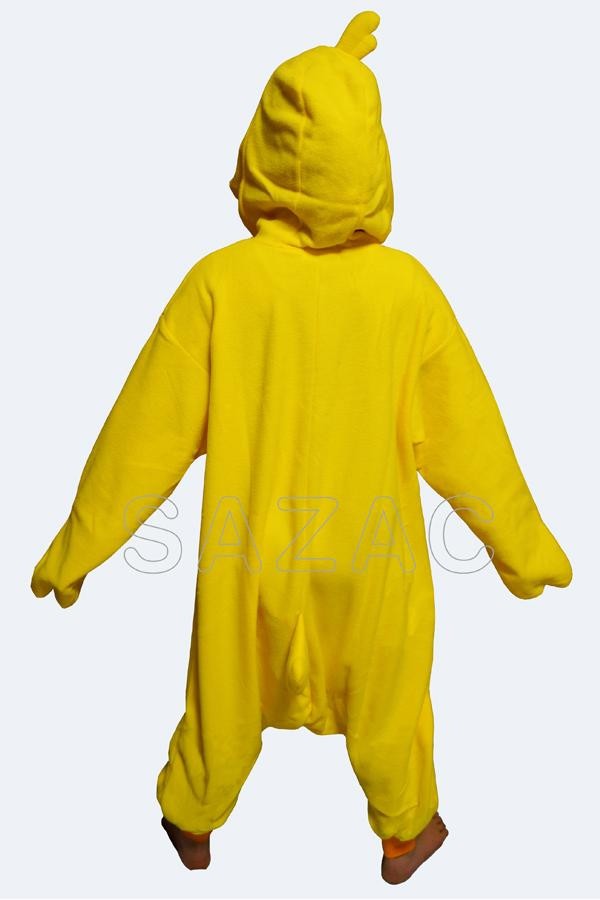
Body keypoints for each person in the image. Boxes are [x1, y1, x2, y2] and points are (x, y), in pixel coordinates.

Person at [30, 10, 573, 885]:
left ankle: (192, 816)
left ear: (260, 151)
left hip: (249, 555)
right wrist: (522, 547)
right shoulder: (406, 293)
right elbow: (470, 437)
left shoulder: (221, 285)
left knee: (224, 694)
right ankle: (404, 832)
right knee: (391, 704)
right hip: (375, 561)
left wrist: (78, 546)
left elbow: (142, 434)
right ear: (373, 163)